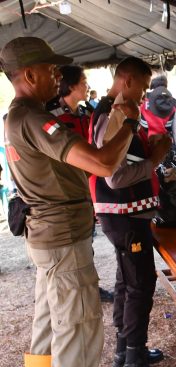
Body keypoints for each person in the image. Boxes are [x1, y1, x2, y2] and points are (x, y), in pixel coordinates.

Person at [1, 36, 139, 367]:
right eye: (50, 71)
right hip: (63, 243)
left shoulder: (15, 118)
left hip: (47, 240)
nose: (56, 78)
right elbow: (102, 163)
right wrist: (128, 126)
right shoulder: (34, 118)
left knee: (48, 328)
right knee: (77, 332)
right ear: (28, 74)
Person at [89, 57, 175, 367]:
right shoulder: (116, 117)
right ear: (126, 80)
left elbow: (125, 159)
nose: (143, 95)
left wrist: (149, 150)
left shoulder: (119, 114)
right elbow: (116, 176)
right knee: (141, 283)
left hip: (126, 214)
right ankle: (134, 364)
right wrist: (156, 159)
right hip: (124, 214)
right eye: (140, 86)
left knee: (128, 282)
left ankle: (126, 351)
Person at [46, 64, 115, 303]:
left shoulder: (84, 114)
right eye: (83, 81)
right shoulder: (51, 117)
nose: (87, 86)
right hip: (67, 191)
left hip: (89, 187)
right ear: (71, 85)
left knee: (87, 241)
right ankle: (82, 291)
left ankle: (91, 287)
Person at [139, 75, 176, 155]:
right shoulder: (173, 101)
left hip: (145, 143)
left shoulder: (143, 98)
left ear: (152, 85)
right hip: (164, 145)